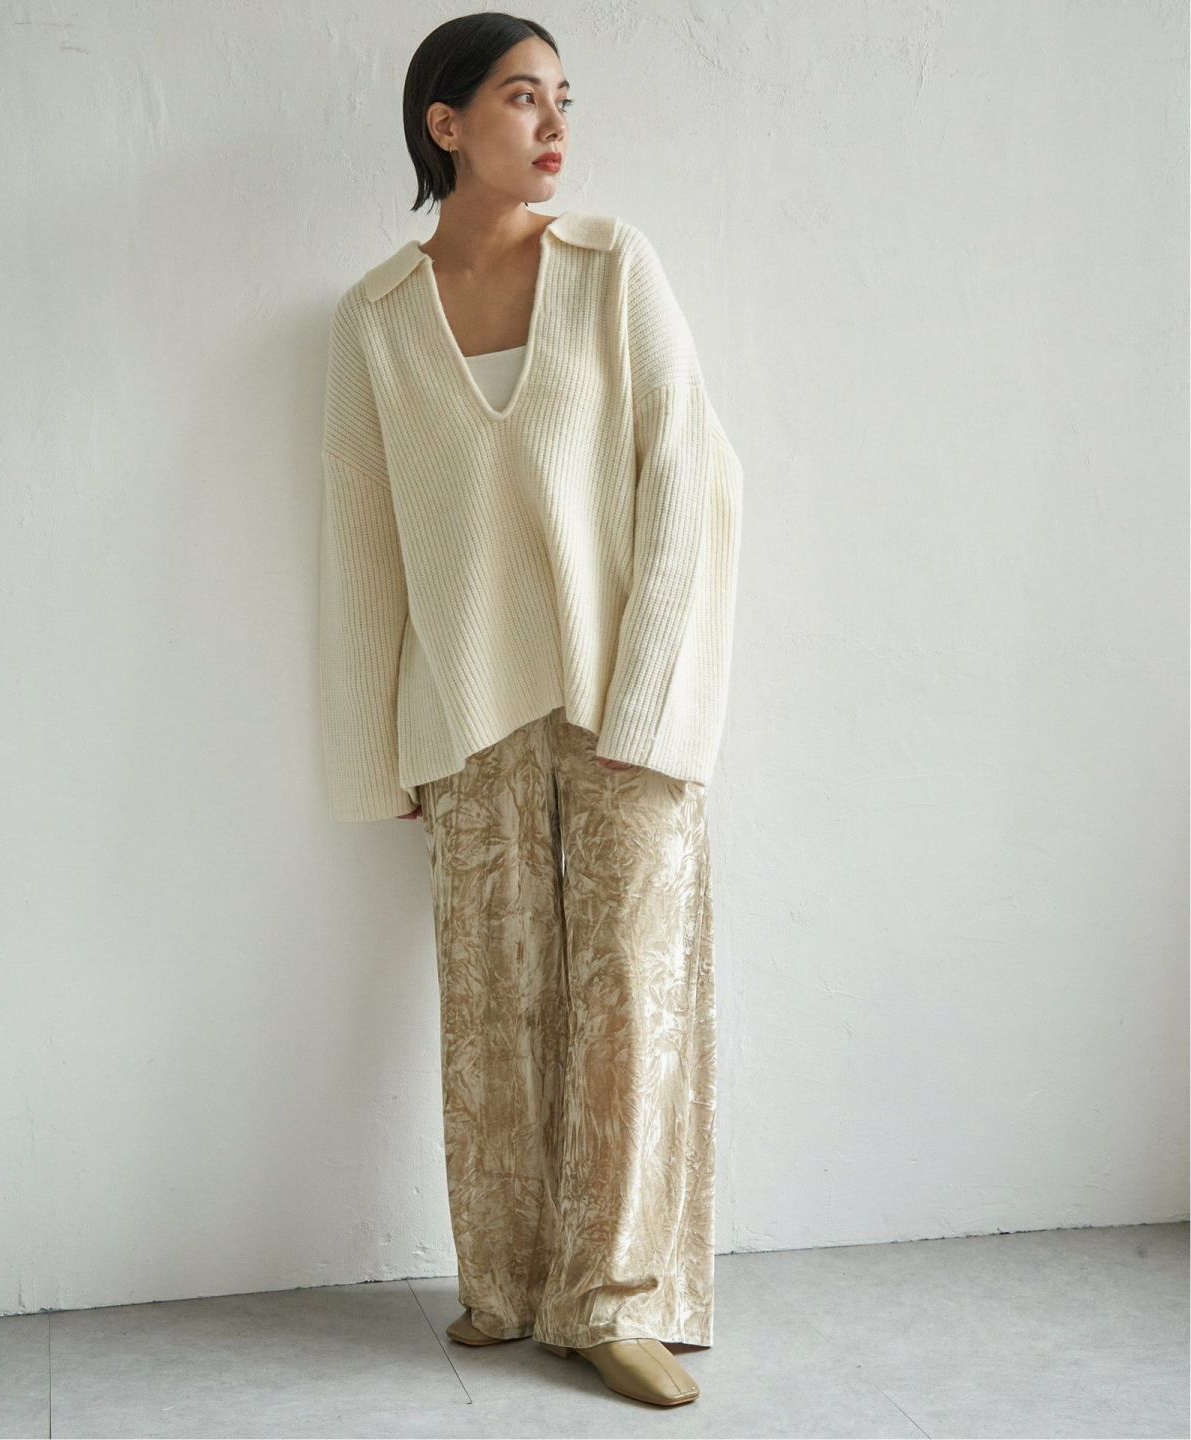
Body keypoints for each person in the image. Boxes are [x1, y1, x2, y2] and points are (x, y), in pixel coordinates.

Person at [318, 11, 743, 1409]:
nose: (555, 124)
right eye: (520, 98)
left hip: (626, 707)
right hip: (467, 715)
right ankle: (505, 1283)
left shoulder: (614, 272)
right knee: (492, 1006)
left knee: (626, 1000)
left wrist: (651, 705)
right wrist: (378, 758)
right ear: (444, 125)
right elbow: (363, 542)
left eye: (564, 97)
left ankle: (611, 1299)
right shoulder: (377, 320)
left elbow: (690, 480)